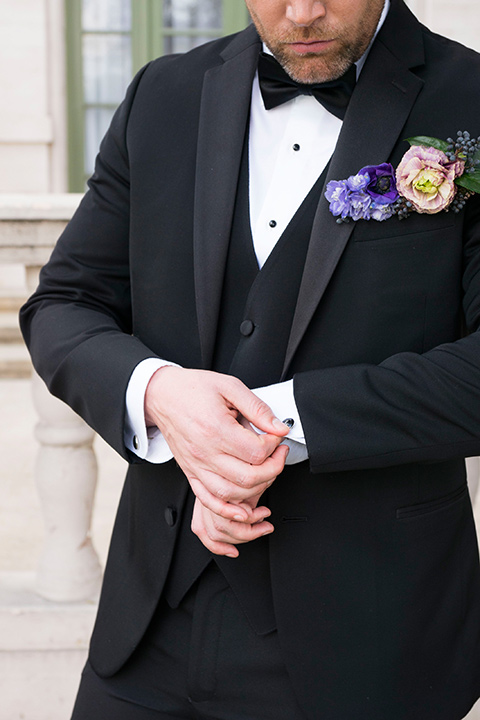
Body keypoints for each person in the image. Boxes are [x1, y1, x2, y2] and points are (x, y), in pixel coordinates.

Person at [20, 0, 480, 718]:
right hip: (146, 635)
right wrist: (160, 393)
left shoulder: (471, 102)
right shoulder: (161, 94)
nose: (302, 12)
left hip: (369, 643)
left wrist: (271, 428)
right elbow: (64, 303)